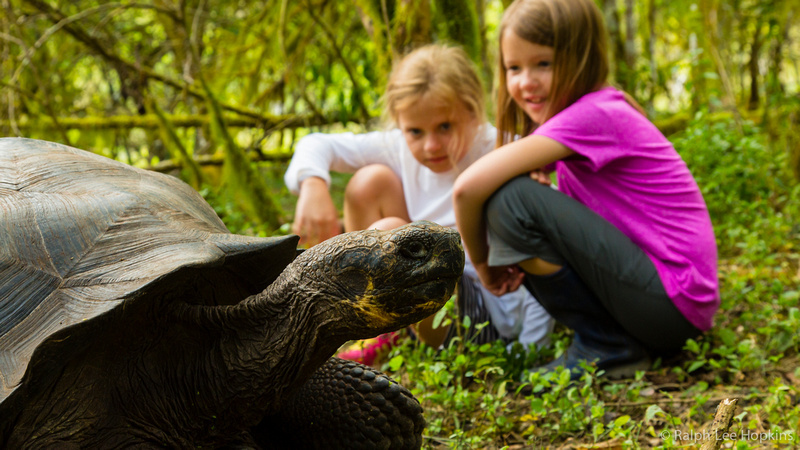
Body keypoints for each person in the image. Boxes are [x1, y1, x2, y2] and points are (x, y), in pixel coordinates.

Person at [452, 0, 719, 380]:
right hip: (669, 302)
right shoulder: (593, 112)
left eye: (543, 64)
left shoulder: (594, 115)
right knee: (514, 189)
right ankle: (610, 339)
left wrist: (484, 266)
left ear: (581, 58)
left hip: (672, 303)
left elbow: (466, 190)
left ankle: (605, 344)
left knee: (508, 199)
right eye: (514, 67)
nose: (525, 82)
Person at [284, 44, 553, 366]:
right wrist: (313, 184)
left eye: (445, 126)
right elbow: (315, 143)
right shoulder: (398, 146)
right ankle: (383, 330)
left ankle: (394, 330)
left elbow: (545, 248)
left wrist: (530, 351)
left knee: (389, 235)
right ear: (400, 122)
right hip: (421, 292)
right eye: (415, 131)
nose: (431, 145)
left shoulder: (503, 150)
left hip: (483, 316)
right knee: (369, 182)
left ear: (472, 110)